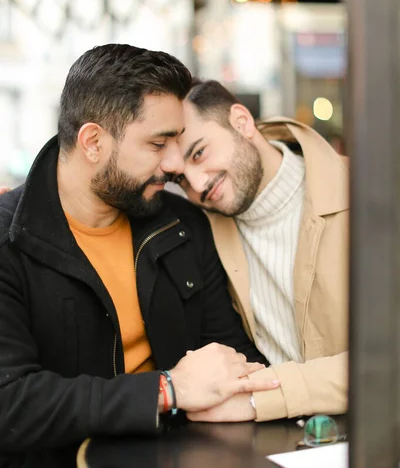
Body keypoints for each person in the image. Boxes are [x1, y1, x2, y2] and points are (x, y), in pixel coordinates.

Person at [0, 46, 276, 468]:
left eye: (178, 140)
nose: (174, 162)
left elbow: (234, 355)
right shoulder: (9, 241)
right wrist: (165, 390)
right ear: (93, 141)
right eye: (158, 143)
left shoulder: (182, 224)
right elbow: (10, 402)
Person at [174, 79, 349, 423]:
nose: (197, 185)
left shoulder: (373, 192)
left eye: (199, 153)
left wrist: (258, 400)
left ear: (242, 121)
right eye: (180, 179)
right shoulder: (203, 231)